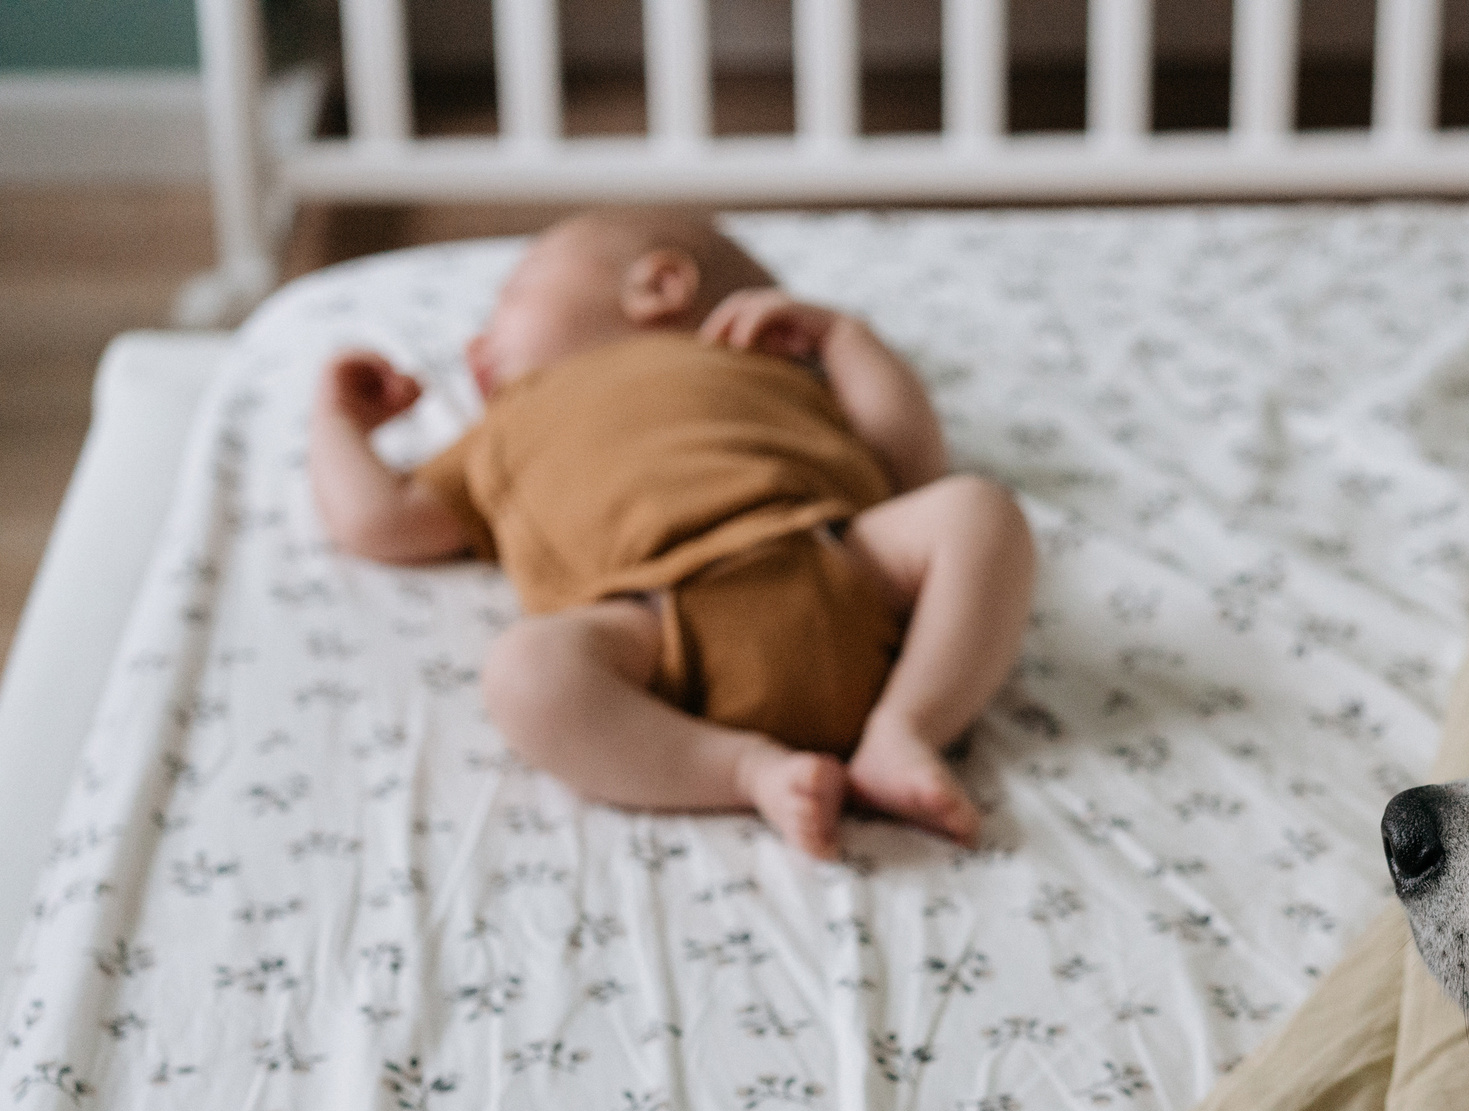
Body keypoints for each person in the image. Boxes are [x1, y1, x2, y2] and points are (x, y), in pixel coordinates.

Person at [308, 209, 1035, 851]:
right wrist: (338, 424)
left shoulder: (751, 360)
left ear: (657, 287)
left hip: (837, 557)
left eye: (511, 299)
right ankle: (745, 770)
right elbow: (384, 520)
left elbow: (907, 461)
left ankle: (907, 725)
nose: (476, 341)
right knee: (524, 673)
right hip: (654, 628)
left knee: (977, 511)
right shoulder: (500, 432)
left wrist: (845, 338)